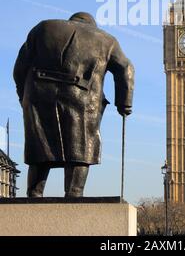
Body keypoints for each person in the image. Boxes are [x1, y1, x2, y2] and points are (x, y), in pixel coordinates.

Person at [13, 12, 134, 198]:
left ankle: (34, 194)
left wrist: (24, 96)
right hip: (82, 99)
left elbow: (19, 67)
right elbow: (126, 68)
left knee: (40, 146)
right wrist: (124, 104)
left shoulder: (43, 27)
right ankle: (74, 194)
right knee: (81, 148)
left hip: (38, 95)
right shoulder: (106, 40)